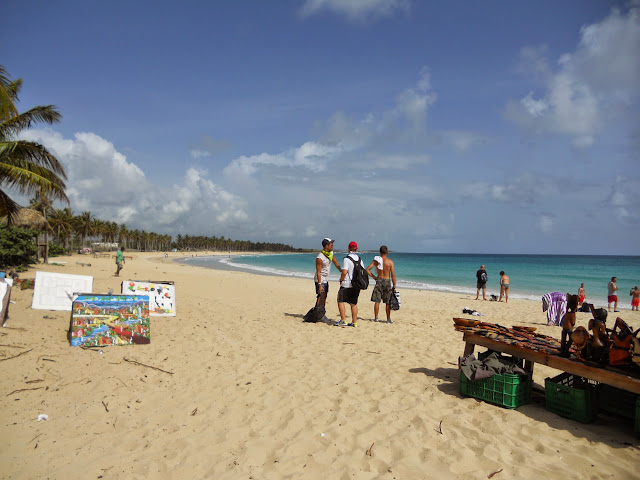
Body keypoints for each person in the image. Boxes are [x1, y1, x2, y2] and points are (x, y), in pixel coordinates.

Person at [366, 245, 396, 323]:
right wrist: (394, 285)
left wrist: (374, 277)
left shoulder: (376, 261)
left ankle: (376, 318)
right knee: (388, 301)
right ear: (387, 252)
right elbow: (393, 275)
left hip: (379, 280)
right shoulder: (390, 262)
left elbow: (367, 270)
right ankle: (388, 319)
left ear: (380, 252)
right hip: (387, 281)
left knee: (377, 301)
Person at [336, 241, 363, 327]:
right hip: (356, 285)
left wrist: (341, 279)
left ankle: (343, 320)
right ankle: (354, 322)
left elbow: (344, 272)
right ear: (356, 249)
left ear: (348, 248)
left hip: (347, 284)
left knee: (340, 300)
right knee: (353, 303)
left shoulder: (346, 259)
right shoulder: (360, 259)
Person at [314, 238, 341, 309]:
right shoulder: (320, 258)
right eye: (331, 244)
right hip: (320, 279)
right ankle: (318, 313)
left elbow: (335, 262)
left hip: (325, 279)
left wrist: (341, 270)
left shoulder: (330, 254)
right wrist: (319, 285)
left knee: (324, 296)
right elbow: (318, 272)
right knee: (321, 297)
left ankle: (321, 312)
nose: (332, 245)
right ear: (326, 246)